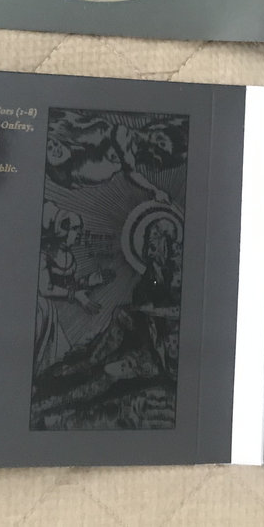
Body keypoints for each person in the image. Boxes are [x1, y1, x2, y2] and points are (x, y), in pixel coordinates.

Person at [32, 204, 111, 374]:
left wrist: (91, 280)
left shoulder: (69, 256)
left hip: (56, 313)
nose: (79, 234)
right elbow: (45, 289)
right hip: (40, 310)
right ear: (63, 229)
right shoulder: (44, 254)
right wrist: (74, 295)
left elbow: (70, 284)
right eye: (75, 229)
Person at [44, 110, 187, 202]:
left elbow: (131, 170)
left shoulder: (130, 156)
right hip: (81, 139)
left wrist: (155, 191)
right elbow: (121, 141)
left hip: (81, 167)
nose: (158, 144)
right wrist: (155, 190)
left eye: (161, 147)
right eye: (161, 141)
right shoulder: (126, 139)